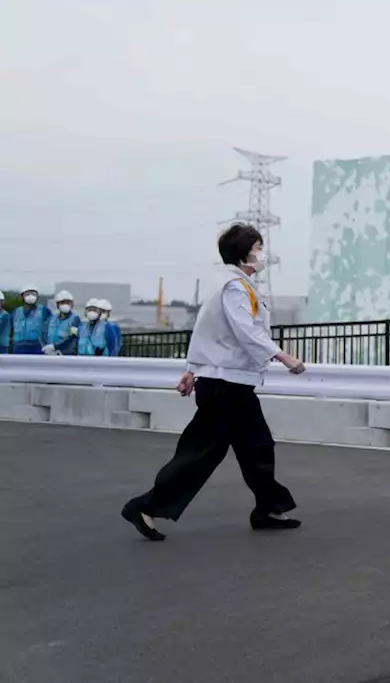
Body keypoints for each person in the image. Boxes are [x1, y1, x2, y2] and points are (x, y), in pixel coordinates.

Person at [122, 224, 307, 542]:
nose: (262, 253)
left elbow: (208, 329)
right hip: (224, 385)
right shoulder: (234, 286)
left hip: (230, 382)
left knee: (257, 446)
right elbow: (244, 330)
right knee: (202, 452)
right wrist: (282, 356)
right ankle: (145, 506)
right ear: (243, 251)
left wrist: (192, 368)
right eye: (258, 247)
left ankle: (269, 508)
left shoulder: (236, 284)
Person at [11, 287, 51, 355]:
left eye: (33, 294)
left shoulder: (44, 310)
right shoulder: (16, 311)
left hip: (37, 347)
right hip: (18, 347)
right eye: (27, 294)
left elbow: (51, 329)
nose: (31, 296)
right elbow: (10, 328)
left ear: (37, 297)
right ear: (22, 297)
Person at [44, 291, 82, 356]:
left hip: (66, 354)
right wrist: (46, 347)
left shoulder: (75, 319)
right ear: (57, 304)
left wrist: (55, 346)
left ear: (72, 304)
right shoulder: (52, 319)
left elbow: (72, 336)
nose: (65, 304)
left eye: (68, 302)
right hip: (50, 353)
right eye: (62, 302)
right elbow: (44, 333)